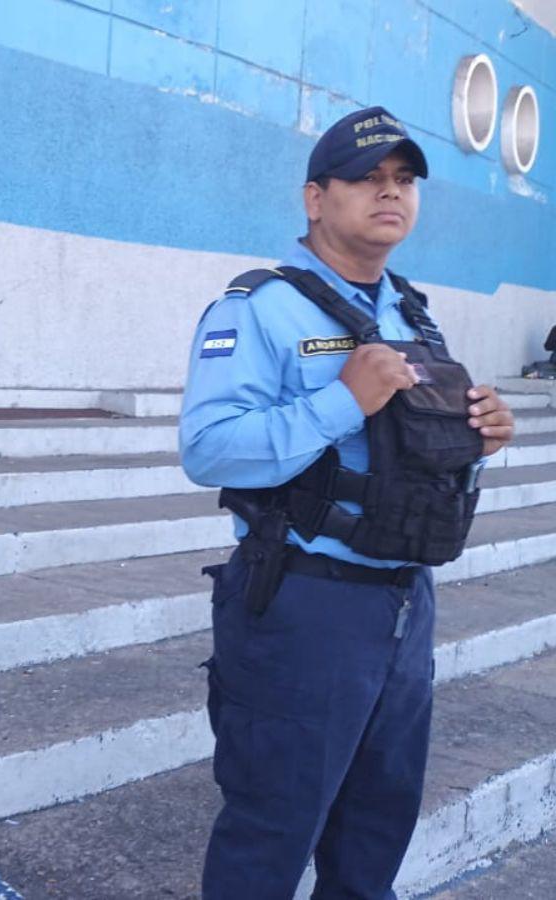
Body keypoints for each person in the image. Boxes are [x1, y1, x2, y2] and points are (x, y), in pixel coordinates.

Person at [179, 106, 515, 898]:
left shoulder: (413, 313)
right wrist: (341, 402)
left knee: (376, 826)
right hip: (305, 605)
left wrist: (479, 440)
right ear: (315, 198)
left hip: (403, 604)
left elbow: (409, 457)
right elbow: (209, 448)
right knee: (273, 829)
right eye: (366, 178)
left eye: (402, 180)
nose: (389, 193)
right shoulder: (258, 308)